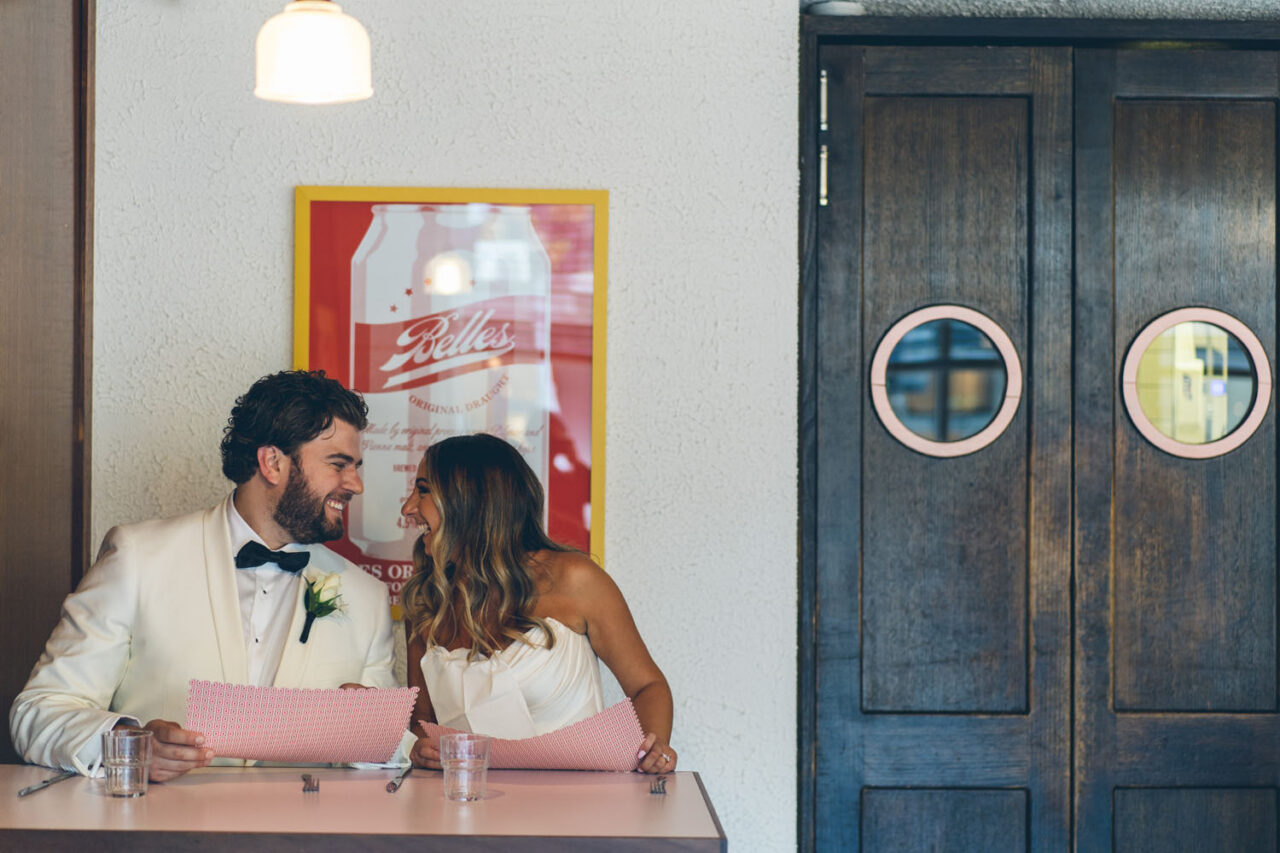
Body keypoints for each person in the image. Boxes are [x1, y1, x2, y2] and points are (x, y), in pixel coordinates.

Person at [10, 370, 398, 780]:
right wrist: (129, 744)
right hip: (158, 838)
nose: (355, 484)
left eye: (356, 466)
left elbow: (391, 759)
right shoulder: (138, 558)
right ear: (272, 462)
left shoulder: (366, 597)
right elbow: (38, 712)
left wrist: (376, 739)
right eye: (338, 464)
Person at [400, 433, 677, 774]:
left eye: (423, 490)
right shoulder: (427, 600)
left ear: (472, 500)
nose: (408, 508)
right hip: (469, 811)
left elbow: (647, 686)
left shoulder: (574, 579)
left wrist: (654, 750)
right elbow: (422, 721)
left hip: (579, 810)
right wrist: (419, 749)